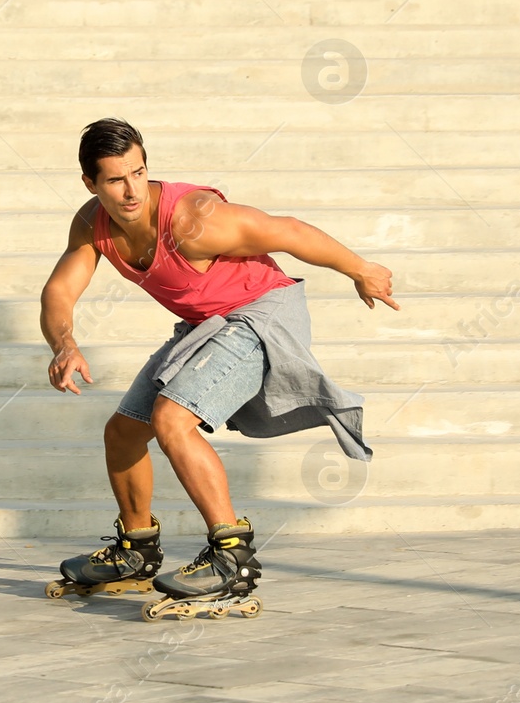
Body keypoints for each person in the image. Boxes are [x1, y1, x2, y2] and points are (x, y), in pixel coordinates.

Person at [39, 118, 397, 618]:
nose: (131, 190)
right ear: (91, 184)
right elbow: (60, 290)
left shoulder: (195, 220)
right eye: (116, 180)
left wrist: (362, 269)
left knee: (171, 419)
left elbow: (287, 231)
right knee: (122, 433)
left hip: (261, 313)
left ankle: (232, 558)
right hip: (208, 323)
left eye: (139, 173)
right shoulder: (92, 223)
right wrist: (64, 343)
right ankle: (137, 549)